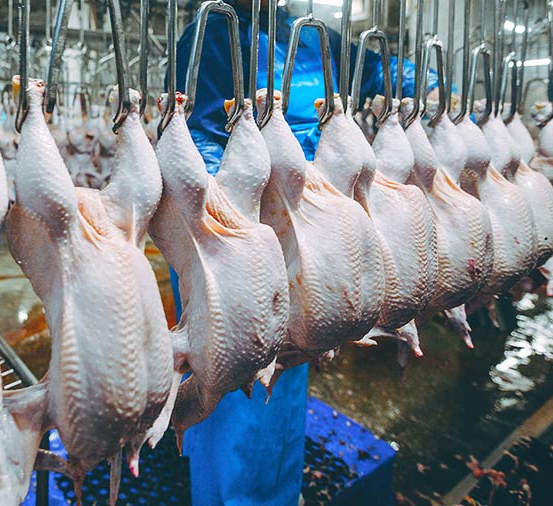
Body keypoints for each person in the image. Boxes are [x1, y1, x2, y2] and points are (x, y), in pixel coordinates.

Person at [168, 1, 439, 504]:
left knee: (286, 364)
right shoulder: (208, 35)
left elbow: (380, 65)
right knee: (230, 377)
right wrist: (241, 206)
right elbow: (193, 135)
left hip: (308, 221)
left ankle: (276, 491)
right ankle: (228, 495)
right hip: (231, 225)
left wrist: (425, 82)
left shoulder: (313, 36)